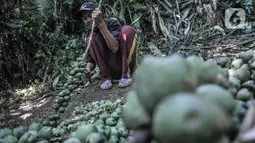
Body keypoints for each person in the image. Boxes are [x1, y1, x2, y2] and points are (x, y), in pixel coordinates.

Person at [78, 2, 138, 90]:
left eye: (90, 16)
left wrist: (101, 24)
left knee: (127, 30)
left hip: (124, 64)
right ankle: (106, 77)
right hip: (112, 71)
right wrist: (88, 69)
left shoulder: (111, 22)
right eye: (84, 19)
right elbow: (91, 60)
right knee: (92, 37)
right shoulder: (90, 34)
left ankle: (126, 74)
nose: (87, 20)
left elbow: (115, 48)